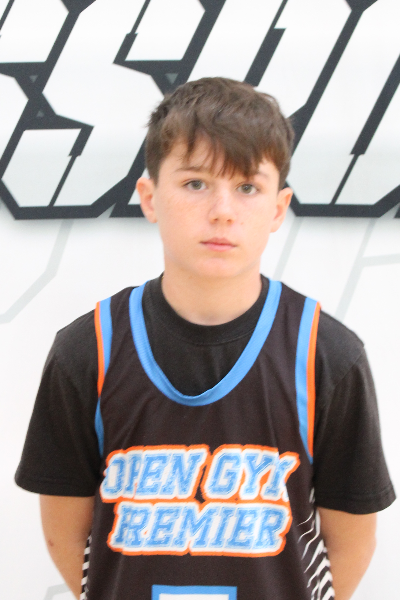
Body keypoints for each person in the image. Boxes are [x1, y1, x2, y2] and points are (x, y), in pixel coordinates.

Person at [15, 77, 395, 600]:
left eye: (247, 187)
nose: (222, 210)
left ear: (278, 208)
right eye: (196, 183)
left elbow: (351, 541)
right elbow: (66, 532)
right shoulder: (88, 349)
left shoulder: (326, 354)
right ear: (149, 197)